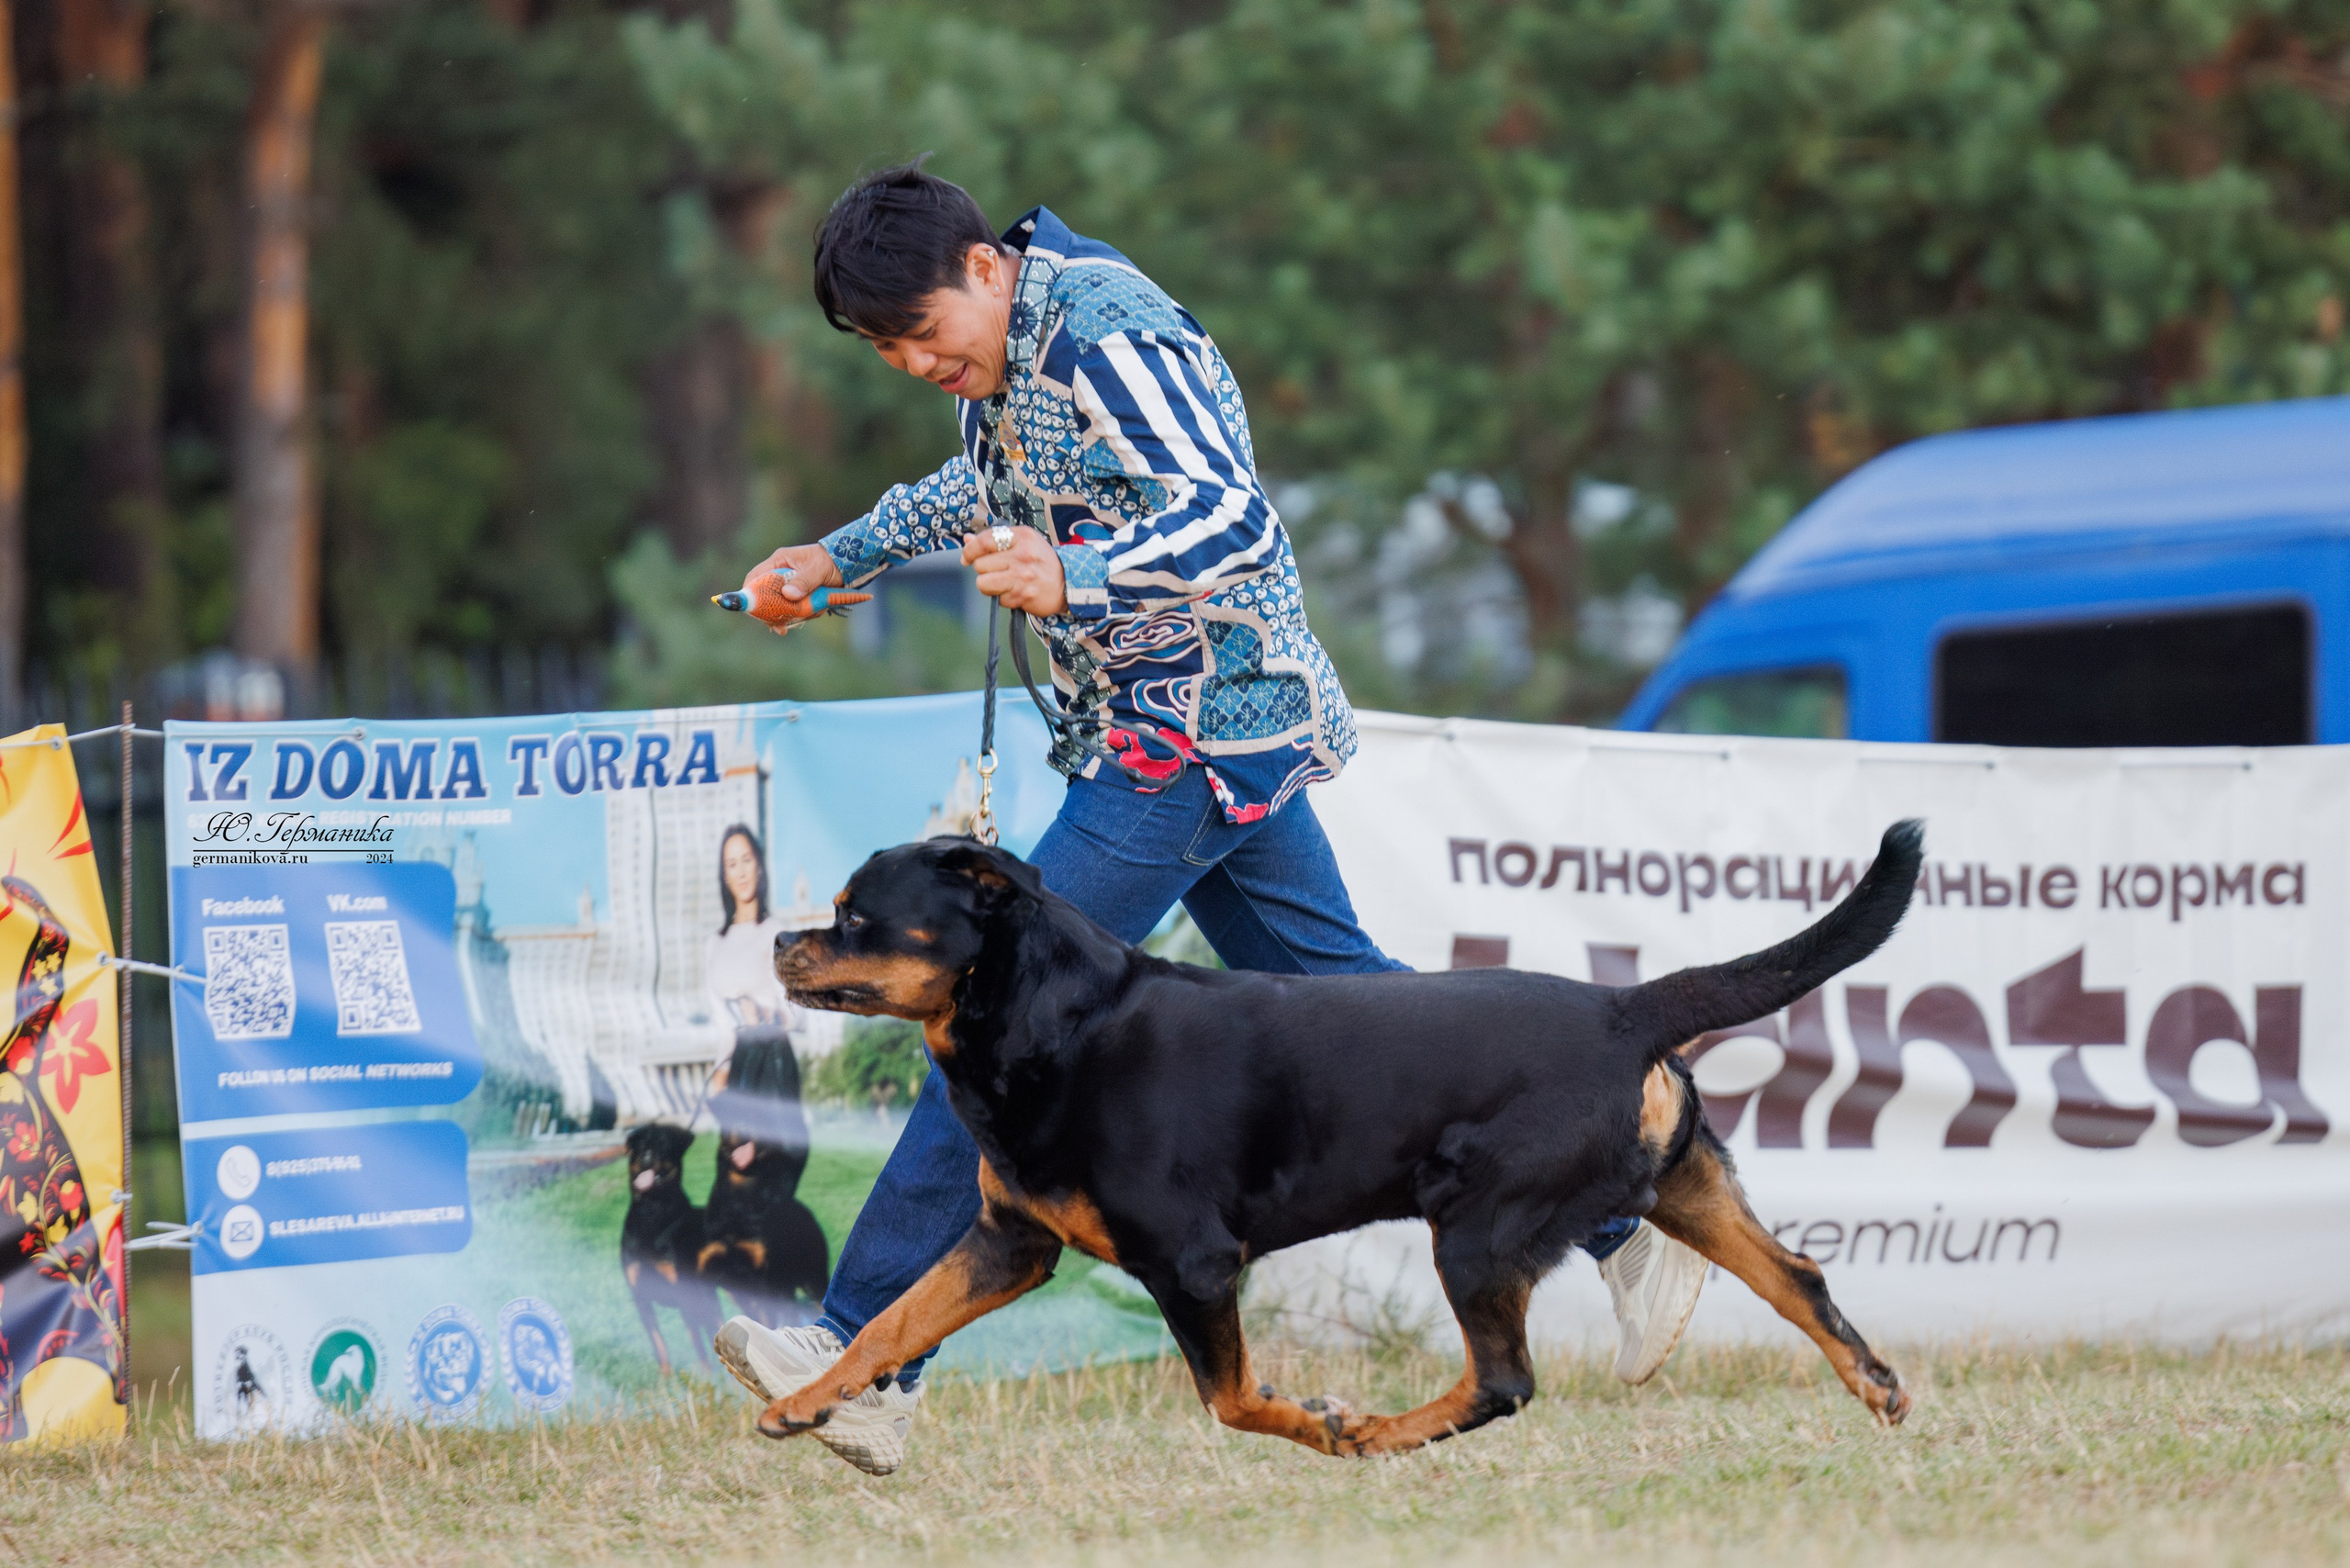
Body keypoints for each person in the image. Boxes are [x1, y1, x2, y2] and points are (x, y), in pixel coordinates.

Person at [717, 160, 1708, 1475]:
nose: (912, 363)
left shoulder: (1109, 333)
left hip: (1190, 734)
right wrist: (834, 556)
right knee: (1357, 1003)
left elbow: (1232, 518)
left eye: (919, 332)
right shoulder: (1004, 356)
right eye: (884, 349)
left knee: (998, 1021)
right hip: (1190, 732)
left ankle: (860, 1356)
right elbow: (979, 493)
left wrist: (1078, 574)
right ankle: (1624, 1211)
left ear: (982, 267)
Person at [704, 823, 806, 1149]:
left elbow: (798, 1013)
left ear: (759, 865)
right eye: (732, 864)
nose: (741, 872)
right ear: (724, 875)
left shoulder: (776, 932)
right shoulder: (715, 944)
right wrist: (720, 1073)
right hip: (736, 1070)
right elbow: (723, 1026)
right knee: (733, 1164)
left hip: (771, 1063)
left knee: (770, 1159)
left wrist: (762, 1012)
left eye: (746, 860)